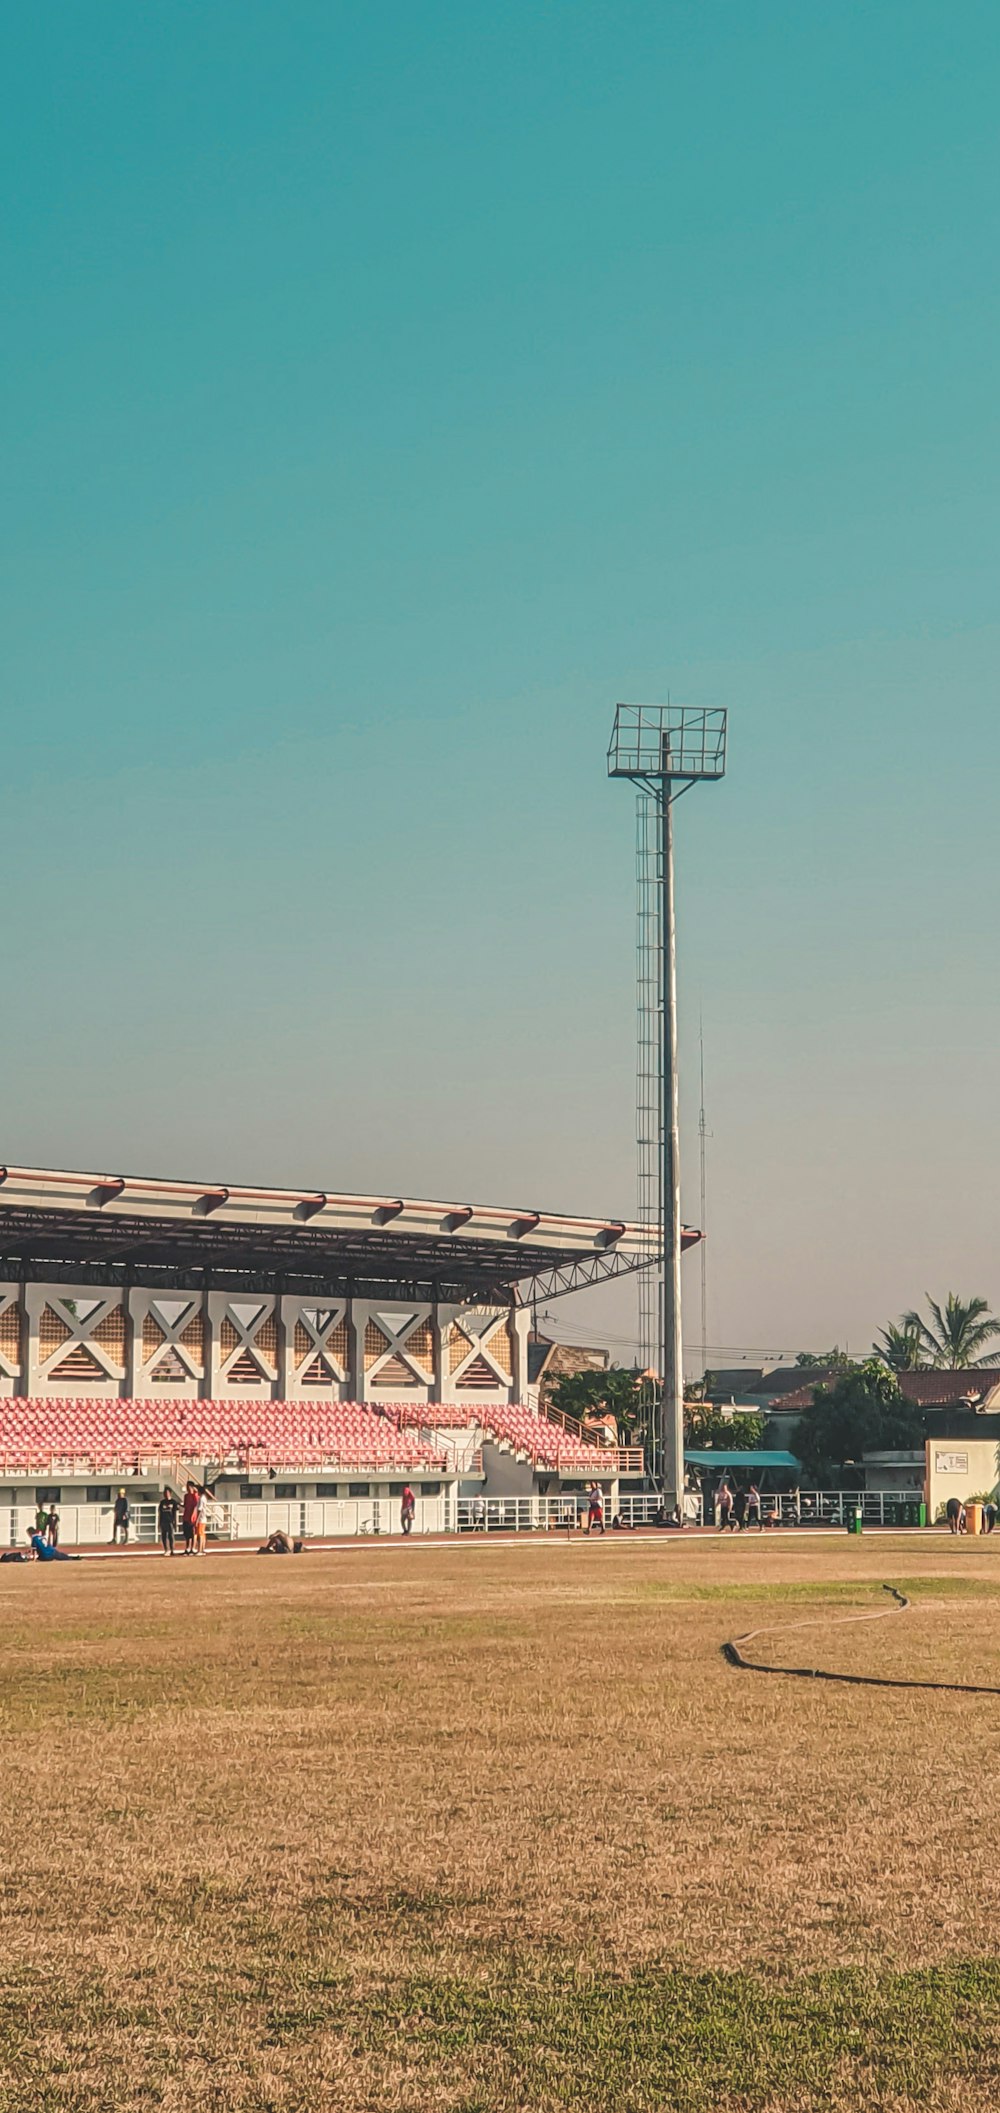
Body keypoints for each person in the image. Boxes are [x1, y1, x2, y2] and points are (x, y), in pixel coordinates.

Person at [158, 1487, 178, 1557]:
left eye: (167, 1493)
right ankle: (166, 1549)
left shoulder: (173, 1502)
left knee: (171, 1536)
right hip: (163, 1521)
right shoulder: (162, 1502)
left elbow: (175, 1513)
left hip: (170, 1521)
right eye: (165, 1493)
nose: (166, 1494)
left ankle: (172, 1549)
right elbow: (160, 1513)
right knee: (164, 1536)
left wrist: (175, 1522)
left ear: (170, 1493)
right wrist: (159, 1523)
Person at [181, 1481, 199, 1554]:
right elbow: (185, 1505)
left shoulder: (195, 1495)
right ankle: (187, 1548)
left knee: (193, 1533)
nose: (187, 1488)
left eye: (189, 1486)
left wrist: (193, 1515)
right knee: (187, 1534)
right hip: (186, 1517)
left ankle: (193, 1548)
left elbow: (196, 1506)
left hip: (192, 1518)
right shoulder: (186, 1496)